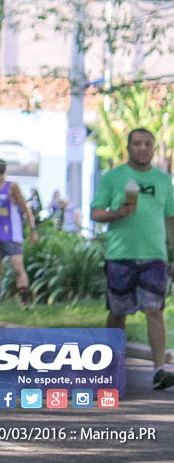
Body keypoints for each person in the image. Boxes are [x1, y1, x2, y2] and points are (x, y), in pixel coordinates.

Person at [90, 128, 174, 390]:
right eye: (136, 143)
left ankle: (159, 369)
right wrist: (117, 214)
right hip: (120, 254)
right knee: (117, 312)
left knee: (154, 310)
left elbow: (171, 220)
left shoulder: (163, 181)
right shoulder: (113, 178)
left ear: (153, 148)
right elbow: (95, 212)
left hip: (154, 256)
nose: (142, 148)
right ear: (128, 148)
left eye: (147, 144)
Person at [0, 159, 38, 306]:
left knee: (17, 267)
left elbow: (25, 207)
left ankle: (25, 302)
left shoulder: (12, 187)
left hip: (12, 234)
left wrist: (32, 229)